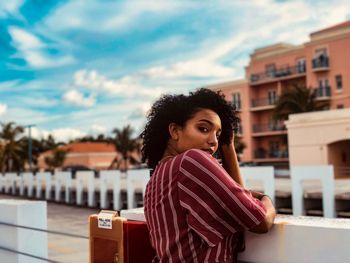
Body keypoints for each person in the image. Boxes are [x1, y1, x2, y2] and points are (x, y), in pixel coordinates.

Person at [141, 88, 276, 263]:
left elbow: (237, 204)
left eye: (218, 135)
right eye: (203, 129)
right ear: (175, 131)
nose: (214, 141)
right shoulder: (191, 160)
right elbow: (259, 221)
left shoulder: (156, 178)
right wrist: (266, 200)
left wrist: (228, 148)